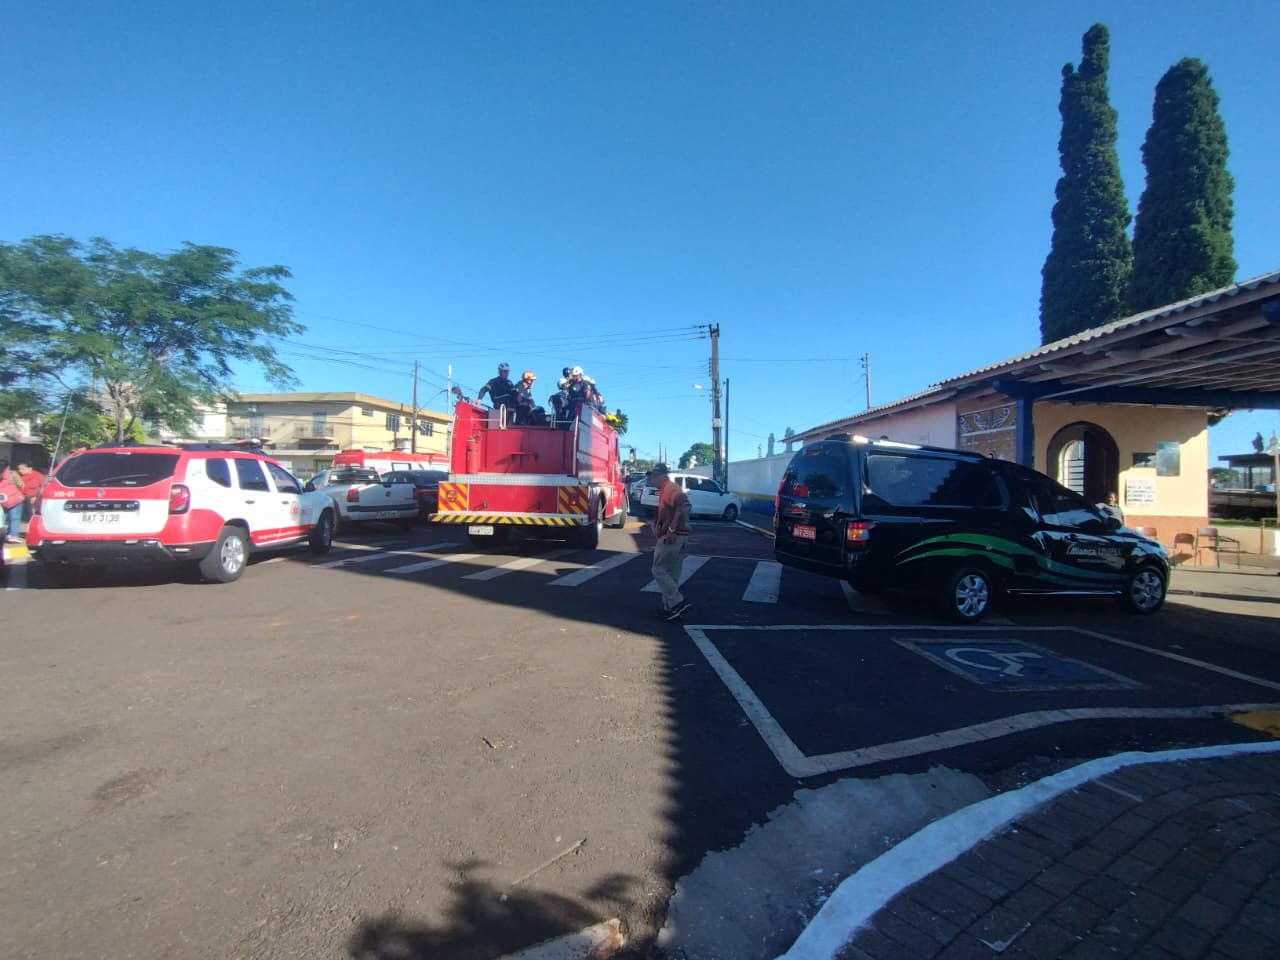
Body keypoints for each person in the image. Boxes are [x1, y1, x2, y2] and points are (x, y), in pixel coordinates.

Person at [648, 463, 693, 620]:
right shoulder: (665, 490)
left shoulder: (671, 489)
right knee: (672, 573)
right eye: (651, 476)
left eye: (654, 476)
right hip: (679, 535)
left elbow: (684, 505)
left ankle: (677, 602)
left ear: (663, 476)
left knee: (658, 569)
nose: (651, 479)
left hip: (673, 536)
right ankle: (670, 608)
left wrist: (672, 530)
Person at [0, 460, 24, 543]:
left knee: (1, 519)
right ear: (7, 467)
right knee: (14, 519)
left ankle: (2, 535)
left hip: (2, 500)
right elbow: (21, 485)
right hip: (15, 500)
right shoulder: (12, 474)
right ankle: (13, 535)